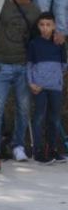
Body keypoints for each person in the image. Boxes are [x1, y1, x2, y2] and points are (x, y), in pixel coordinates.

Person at [0, 0, 40, 161]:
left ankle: (18, 146)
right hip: (1, 65)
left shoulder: (35, 10)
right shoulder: (3, 5)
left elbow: (36, 40)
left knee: (24, 109)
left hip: (24, 66)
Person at [26, 12, 68, 164]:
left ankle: (53, 150)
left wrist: (55, 77)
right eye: (42, 25)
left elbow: (64, 65)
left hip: (55, 87)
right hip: (39, 88)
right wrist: (31, 83)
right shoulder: (34, 44)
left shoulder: (59, 43)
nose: (45, 28)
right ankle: (38, 151)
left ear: (54, 26)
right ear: (38, 26)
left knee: (54, 119)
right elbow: (29, 66)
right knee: (39, 118)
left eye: (48, 25)